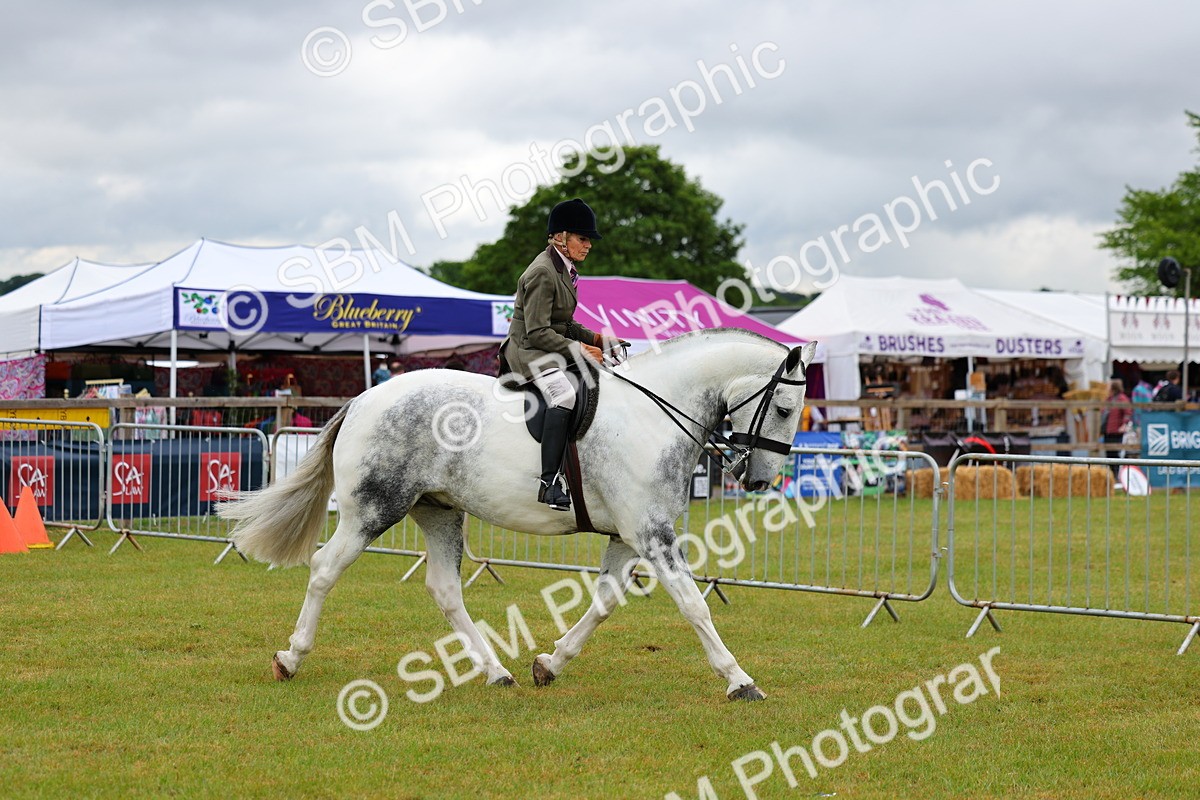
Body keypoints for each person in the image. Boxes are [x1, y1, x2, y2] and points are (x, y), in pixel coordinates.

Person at [499, 198, 626, 511]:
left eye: (588, 240)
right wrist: (582, 349)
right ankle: (549, 482)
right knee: (564, 395)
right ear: (561, 237)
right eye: (583, 239)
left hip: (548, 346)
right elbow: (537, 332)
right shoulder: (543, 272)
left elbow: (564, 323)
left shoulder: (563, 270)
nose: (588, 246)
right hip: (529, 352)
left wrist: (598, 337)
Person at [1103, 379, 1132, 474]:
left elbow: (1128, 412)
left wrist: (1124, 424)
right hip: (1108, 430)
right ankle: (1112, 474)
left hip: (1117, 430)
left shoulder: (1122, 398)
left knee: (1116, 453)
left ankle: (1117, 474)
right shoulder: (1109, 399)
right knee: (1109, 453)